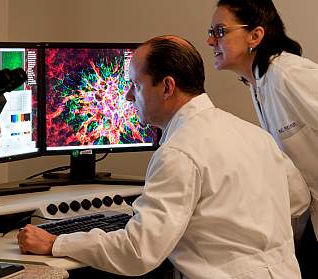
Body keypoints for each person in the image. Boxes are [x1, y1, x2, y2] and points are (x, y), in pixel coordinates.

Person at [17, 35, 310, 278]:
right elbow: (298, 199)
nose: (130, 97)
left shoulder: (179, 152)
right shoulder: (254, 136)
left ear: (167, 86)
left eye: (135, 85)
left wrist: (57, 242)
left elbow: (138, 252)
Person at [206, 0, 318, 277]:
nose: (210, 40)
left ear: (255, 36)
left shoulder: (288, 75)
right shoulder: (260, 84)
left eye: (220, 31)